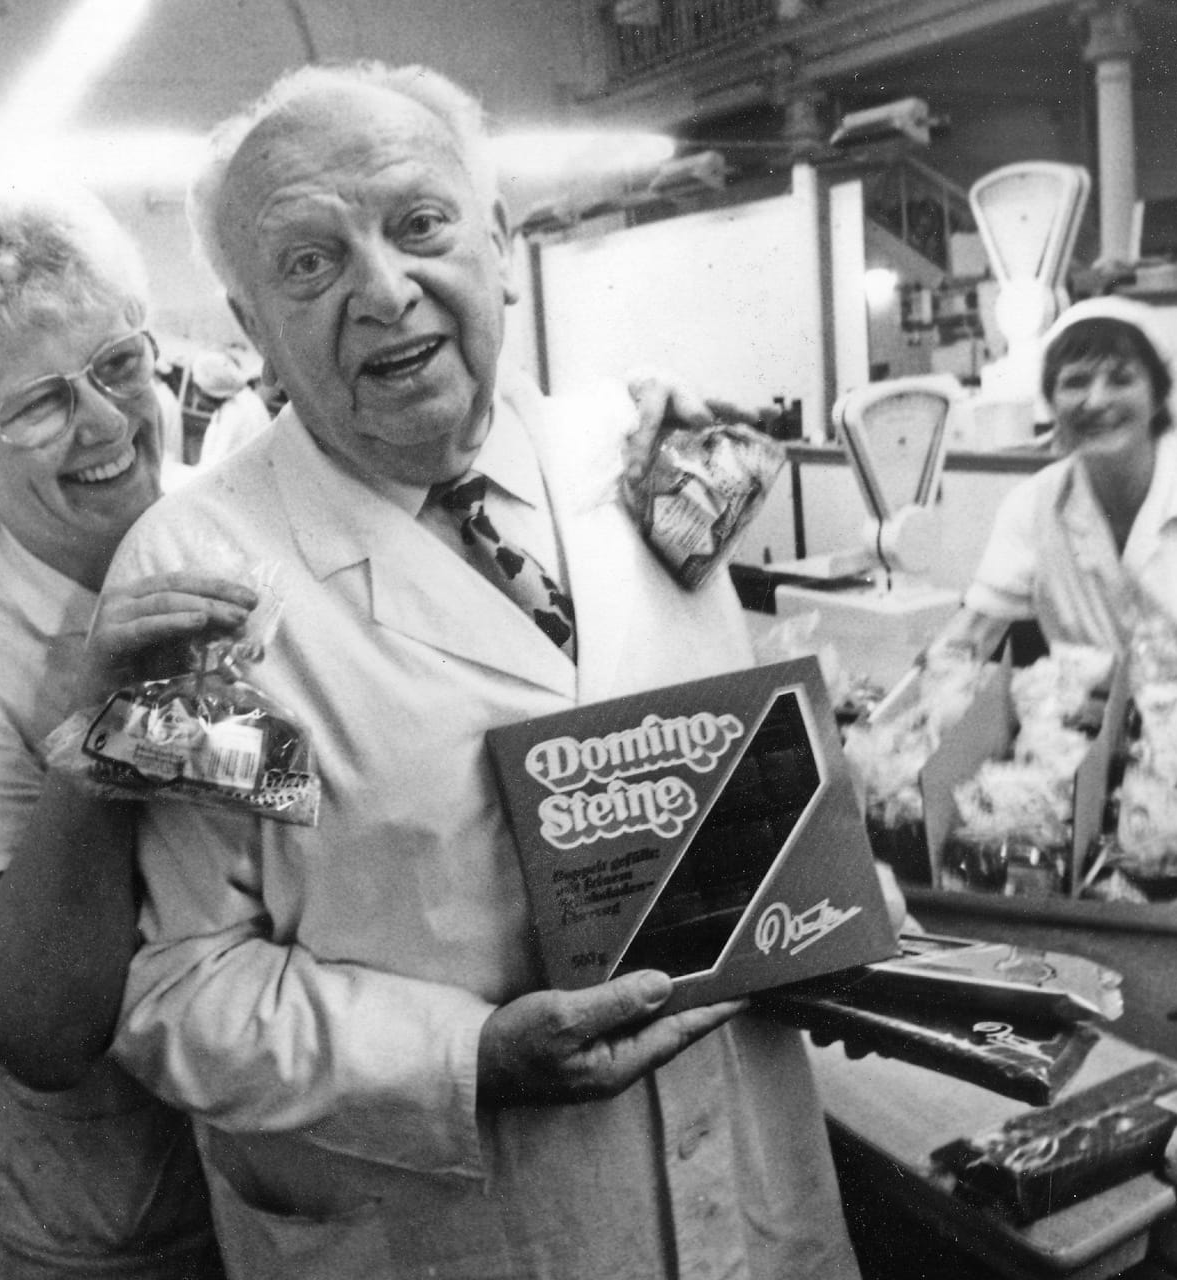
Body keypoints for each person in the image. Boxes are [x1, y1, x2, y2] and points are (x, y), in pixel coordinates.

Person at [103, 62, 861, 1280]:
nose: (385, 288)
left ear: (499, 241)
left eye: (420, 224)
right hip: (460, 1229)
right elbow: (182, 987)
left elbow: (734, 774)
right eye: (309, 262)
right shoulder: (194, 586)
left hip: (748, 1186)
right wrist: (466, 1057)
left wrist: (828, 898)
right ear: (250, 329)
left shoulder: (644, 456)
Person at [0, 193, 256, 1279]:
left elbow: (292, 787)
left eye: (119, 365)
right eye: (37, 408)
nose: (109, 421)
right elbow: (35, 1028)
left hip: (297, 1157)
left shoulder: (236, 526)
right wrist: (95, 738)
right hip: (107, 1212)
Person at [938, 295, 1177, 820]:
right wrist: (927, 710)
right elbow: (966, 642)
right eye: (1074, 382)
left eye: (1121, 378)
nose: (1096, 400)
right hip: (1128, 759)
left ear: (1157, 395)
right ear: (1051, 401)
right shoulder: (1032, 506)